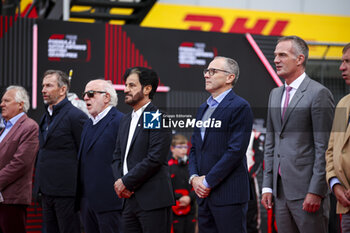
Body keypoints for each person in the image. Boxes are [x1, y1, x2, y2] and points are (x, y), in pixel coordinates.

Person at [261, 36, 335, 233]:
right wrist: (267, 186)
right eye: (275, 55)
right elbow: (271, 143)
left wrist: (316, 191)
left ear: (300, 59)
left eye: (282, 55)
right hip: (279, 193)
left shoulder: (319, 93)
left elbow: (325, 147)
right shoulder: (274, 94)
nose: (276, 60)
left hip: (307, 193)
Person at [188, 56, 253, 233]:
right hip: (203, 196)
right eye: (206, 71)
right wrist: (194, 178)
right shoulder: (203, 109)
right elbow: (194, 147)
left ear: (229, 77)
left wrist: (207, 182)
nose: (207, 75)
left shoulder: (240, 106)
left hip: (228, 195)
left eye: (213, 71)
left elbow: (235, 151)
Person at [112, 67, 174, 233]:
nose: (125, 90)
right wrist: (121, 183)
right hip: (127, 200)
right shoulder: (125, 120)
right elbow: (117, 157)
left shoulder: (156, 117)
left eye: (132, 85)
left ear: (147, 89)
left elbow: (154, 158)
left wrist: (126, 182)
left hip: (152, 200)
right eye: (125, 85)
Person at [34, 70, 88, 233]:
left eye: (49, 85)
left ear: (63, 89)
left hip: (67, 193)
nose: (43, 89)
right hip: (46, 191)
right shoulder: (46, 116)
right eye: (43, 85)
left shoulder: (76, 116)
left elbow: (84, 155)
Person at [77, 79, 124, 233]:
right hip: (87, 203)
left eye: (91, 94)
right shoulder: (87, 124)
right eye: (84, 94)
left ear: (106, 97)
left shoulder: (120, 121)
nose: (85, 98)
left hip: (111, 203)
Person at [0, 85, 39, 233]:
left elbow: (20, 163)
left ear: (20, 104)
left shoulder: (29, 127)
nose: (1, 104)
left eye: (6, 100)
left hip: (12, 199)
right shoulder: (5, 128)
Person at [326, 43, 350, 232]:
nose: (341, 67)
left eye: (348, 62)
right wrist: (335, 184)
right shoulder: (343, 103)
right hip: (345, 204)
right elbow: (332, 150)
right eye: (342, 61)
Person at [168, 134, 196, 233]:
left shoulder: (191, 166)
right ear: (172, 148)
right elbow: (166, 188)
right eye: (180, 147)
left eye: (185, 147)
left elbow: (196, 185)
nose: (183, 150)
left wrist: (189, 197)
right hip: (174, 210)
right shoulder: (168, 167)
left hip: (190, 208)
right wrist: (179, 197)